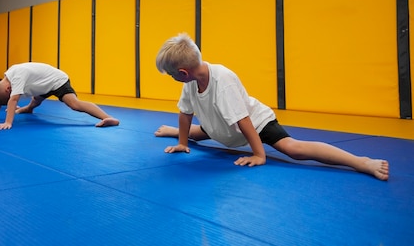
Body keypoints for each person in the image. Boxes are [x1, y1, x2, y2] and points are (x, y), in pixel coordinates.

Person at [153, 33, 389, 181]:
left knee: (293, 149)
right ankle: (179, 134)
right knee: (195, 133)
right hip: (221, 126)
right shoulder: (191, 83)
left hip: (255, 123)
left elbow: (244, 121)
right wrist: (182, 141)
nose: (173, 78)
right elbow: (185, 114)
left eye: (172, 75)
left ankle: (361, 162)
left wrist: (259, 154)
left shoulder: (222, 81)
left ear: (183, 73)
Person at [0, 62, 120, 130]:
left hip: (57, 81)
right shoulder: (6, 80)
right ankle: (29, 108)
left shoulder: (16, 77)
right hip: (42, 84)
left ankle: (108, 118)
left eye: (8, 94)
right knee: (35, 100)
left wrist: (8, 122)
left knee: (74, 104)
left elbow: (13, 99)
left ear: (8, 89)